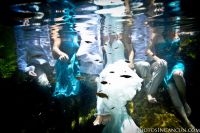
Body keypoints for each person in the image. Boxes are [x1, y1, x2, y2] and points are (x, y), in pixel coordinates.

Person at [151, 25, 195, 128]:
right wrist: (157, 59)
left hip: (176, 63)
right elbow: (148, 50)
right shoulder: (156, 34)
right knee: (171, 88)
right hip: (165, 66)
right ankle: (187, 121)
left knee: (177, 75)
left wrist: (184, 40)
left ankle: (184, 101)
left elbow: (183, 43)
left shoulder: (178, 32)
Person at [131, 6, 167, 103]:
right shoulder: (135, 27)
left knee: (163, 63)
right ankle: (149, 94)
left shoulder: (151, 29)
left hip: (150, 60)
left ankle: (150, 90)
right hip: (139, 62)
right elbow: (134, 49)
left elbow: (149, 47)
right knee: (145, 65)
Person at [15, 19, 55, 88]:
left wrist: (20, 27)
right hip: (42, 29)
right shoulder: (52, 65)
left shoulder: (25, 67)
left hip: (27, 32)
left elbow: (20, 47)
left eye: (39, 80)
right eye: (47, 81)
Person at [52, 28, 81, 97]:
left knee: (74, 83)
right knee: (63, 85)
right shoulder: (60, 34)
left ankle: (72, 103)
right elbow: (55, 47)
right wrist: (61, 53)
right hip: (64, 61)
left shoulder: (76, 34)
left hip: (74, 62)